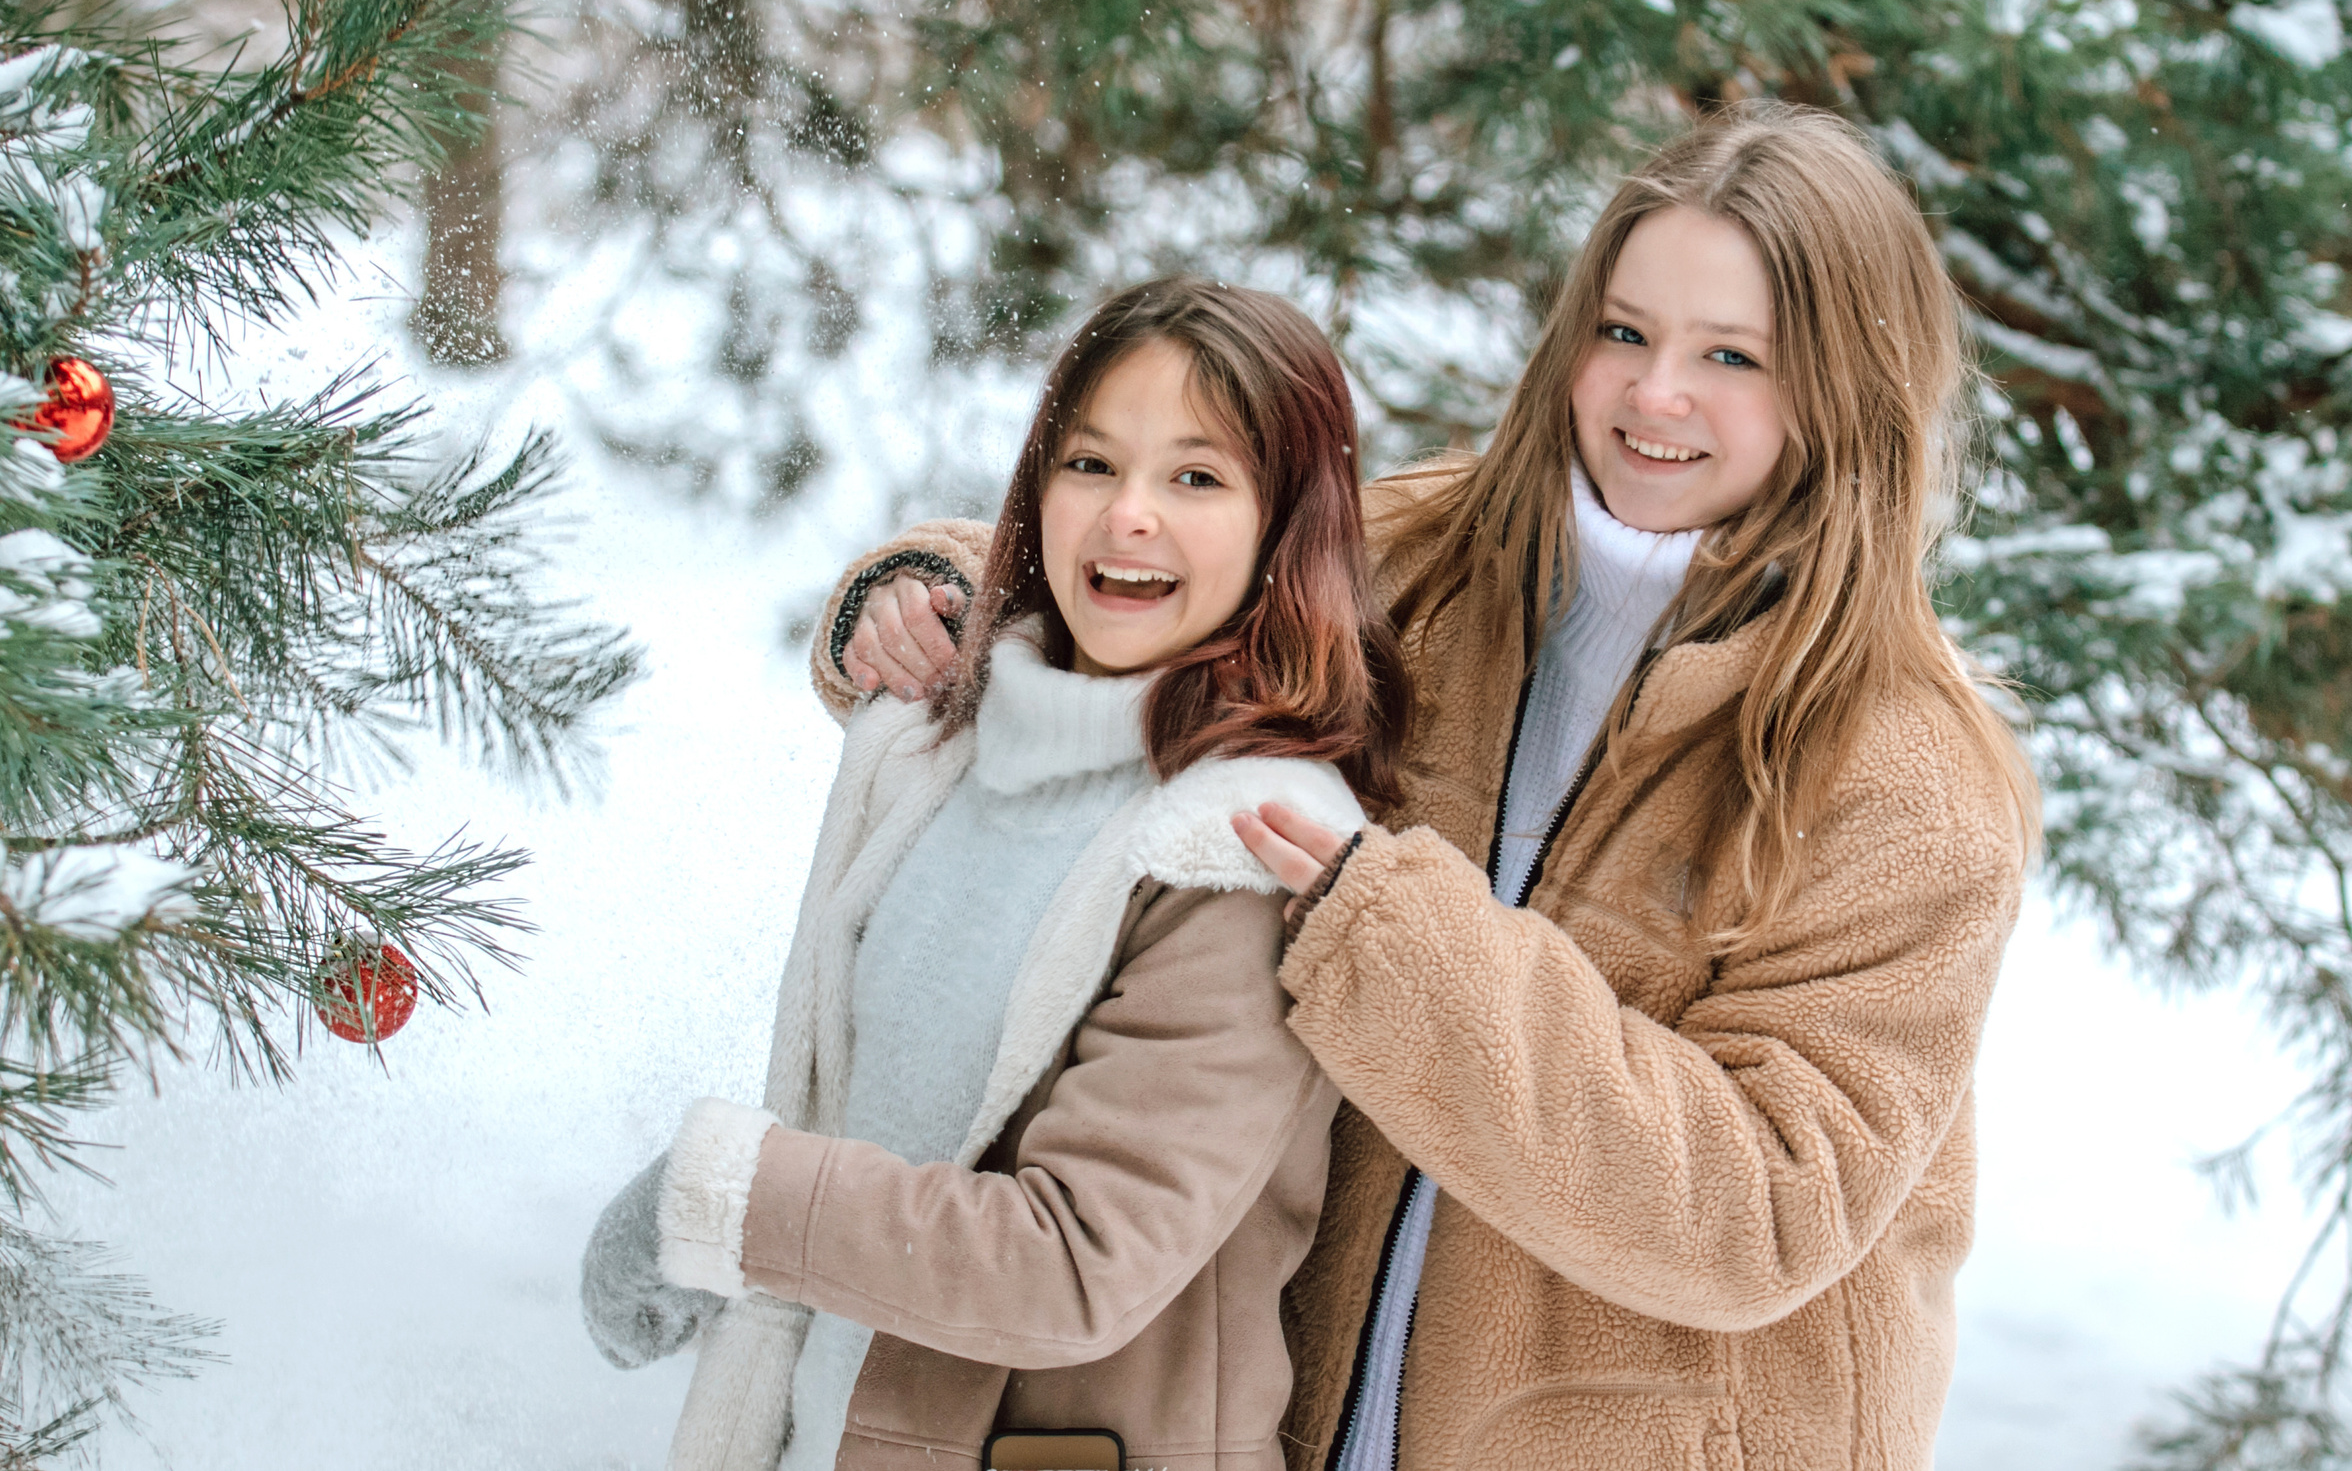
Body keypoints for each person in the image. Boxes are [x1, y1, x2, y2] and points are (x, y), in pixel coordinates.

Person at [821, 103, 2040, 1471]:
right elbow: (1162, 552)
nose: (1654, 394)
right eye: (1625, 331)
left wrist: (1394, 934)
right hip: (1301, 1411)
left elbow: (1760, 1207)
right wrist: (926, 595)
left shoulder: (1908, 778)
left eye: (1732, 356)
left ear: (1845, 383)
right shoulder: (1435, 565)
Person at [581, 277, 1414, 1471]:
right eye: (1090, 465)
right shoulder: (934, 752)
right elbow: (857, 1111)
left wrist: (722, 1199)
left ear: (1287, 529)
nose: (1128, 517)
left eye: (1196, 477)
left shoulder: (1245, 850)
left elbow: (1070, 1261)